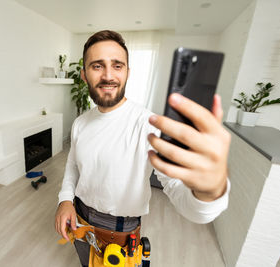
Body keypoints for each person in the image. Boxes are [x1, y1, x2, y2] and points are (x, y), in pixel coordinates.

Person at [55, 30, 231, 267]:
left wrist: (210, 193)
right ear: (84, 75)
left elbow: (182, 196)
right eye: (97, 66)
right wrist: (65, 199)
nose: (108, 75)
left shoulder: (150, 125)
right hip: (80, 221)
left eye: (117, 66)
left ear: (127, 73)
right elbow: (73, 166)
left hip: (119, 232)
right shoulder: (80, 123)